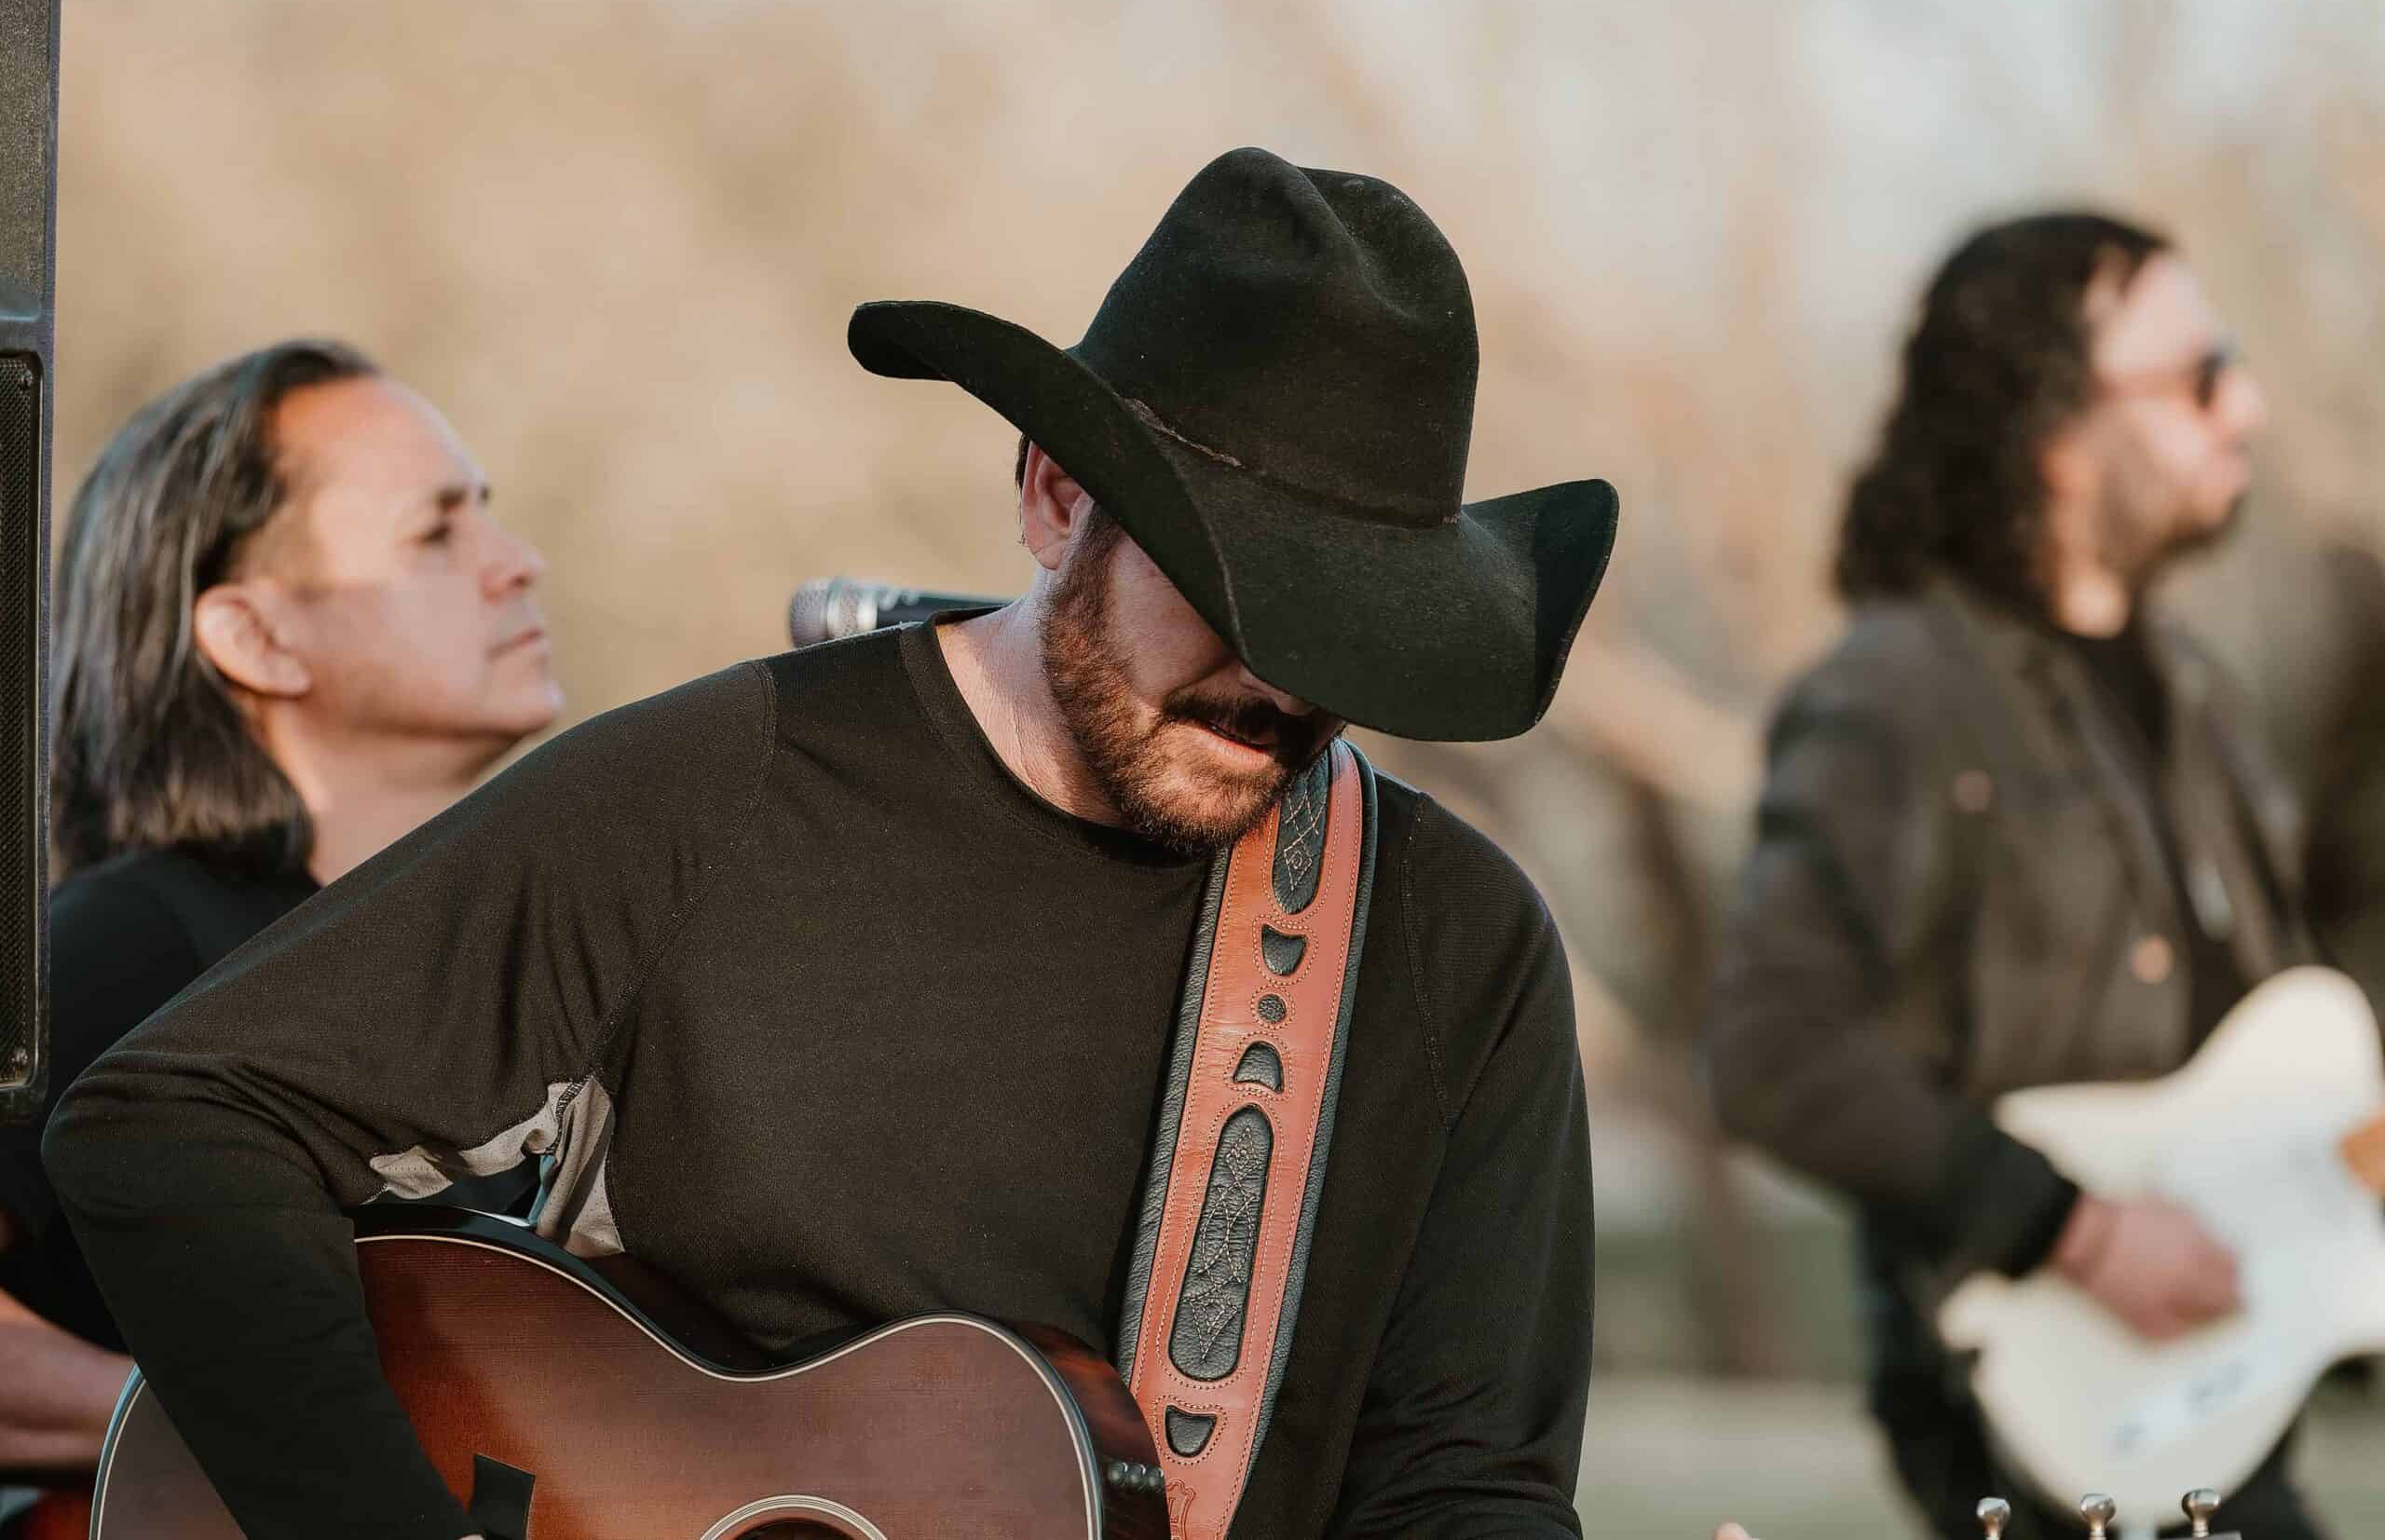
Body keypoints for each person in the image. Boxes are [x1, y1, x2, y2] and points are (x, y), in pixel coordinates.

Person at [43, 151, 1615, 1538]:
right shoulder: (719, 786)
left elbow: (1466, 1484)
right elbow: (175, 1120)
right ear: (1056, 496)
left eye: (1355, 636)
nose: (1286, 684)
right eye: (1245, 597)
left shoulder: (1449, 940)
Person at [1701, 214, 2322, 1539]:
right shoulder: (1897, 693)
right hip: (2041, 1426)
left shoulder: (2200, 695)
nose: (2247, 406)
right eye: (2200, 374)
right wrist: (2075, 1228)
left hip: (2231, 1401)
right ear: (2053, 428)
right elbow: (1770, 1043)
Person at [0, 340, 560, 1524]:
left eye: (490, 520)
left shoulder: (524, 951)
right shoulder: (126, 943)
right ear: (254, 637)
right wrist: (239, 1414)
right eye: (436, 534)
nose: (518, 565)